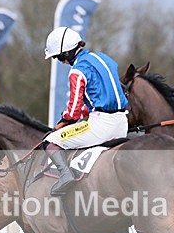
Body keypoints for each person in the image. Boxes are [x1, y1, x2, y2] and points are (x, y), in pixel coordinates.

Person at [43, 26, 129, 195]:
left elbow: (73, 112)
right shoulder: (104, 58)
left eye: (58, 57)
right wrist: (83, 111)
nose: (60, 61)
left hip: (101, 125)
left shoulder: (77, 71)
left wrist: (61, 123)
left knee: (50, 140)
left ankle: (66, 175)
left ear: (67, 52)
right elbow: (100, 97)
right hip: (122, 122)